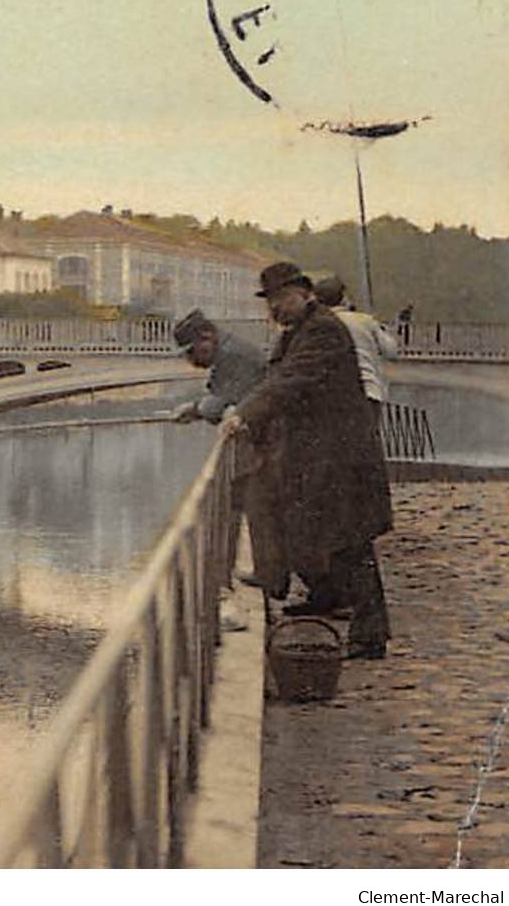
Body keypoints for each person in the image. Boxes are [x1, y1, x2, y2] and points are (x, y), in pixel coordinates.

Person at [224, 262, 393, 659]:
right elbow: (277, 381)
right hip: (323, 453)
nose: (276, 310)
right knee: (324, 530)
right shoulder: (301, 331)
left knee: (353, 542)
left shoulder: (321, 331)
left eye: (281, 300)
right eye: (271, 303)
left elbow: (291, 381)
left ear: (304, 294)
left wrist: (244, 415)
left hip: (343, 455)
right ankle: (325, 598)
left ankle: (371, 635)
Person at [171, 309, 285, 598]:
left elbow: (222, 403)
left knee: (259, 507)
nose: (191, 359)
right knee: (255, 507)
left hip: (268, 440)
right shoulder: (231, 351)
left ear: (207, 337)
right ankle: (262, 575)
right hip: (262, 438)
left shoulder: (234, 355)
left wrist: (194, 410)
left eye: (191, 350)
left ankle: (267, 577)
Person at [313, 275, 399, 408]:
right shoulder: (364, 321)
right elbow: (391, 351)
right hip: (368, 392)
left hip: (330, 395)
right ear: (343, 298)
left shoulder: (314, 325)